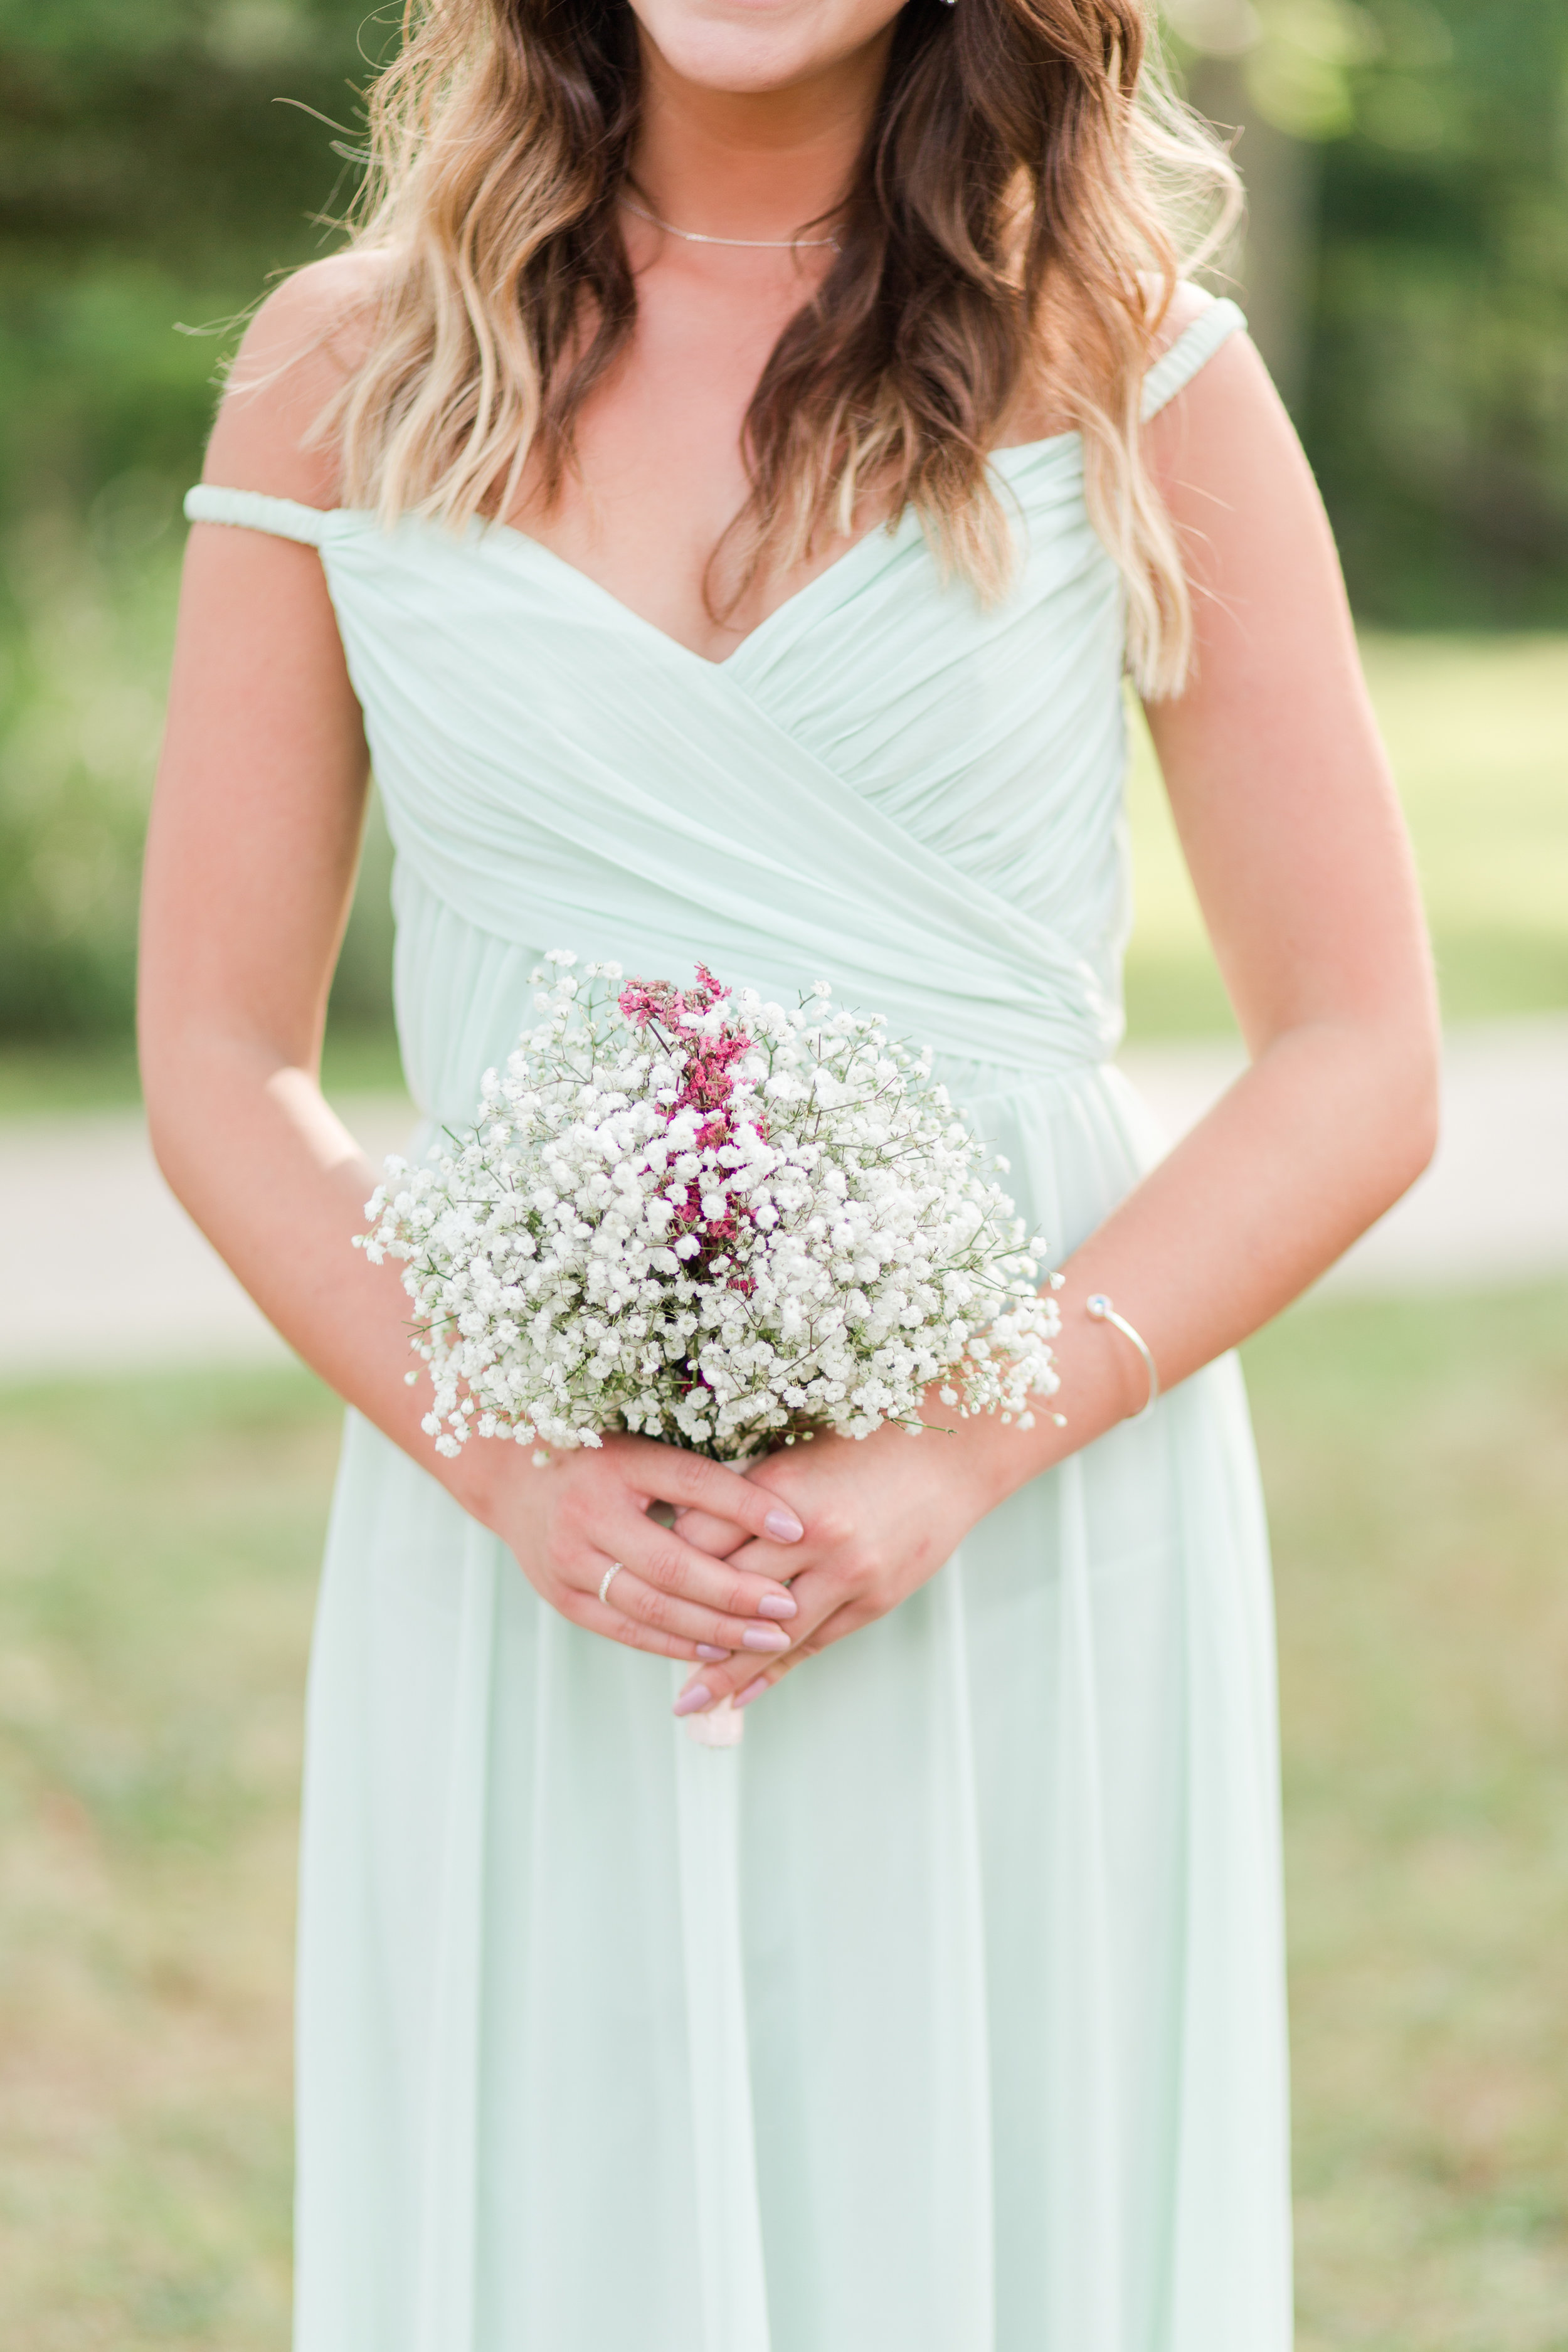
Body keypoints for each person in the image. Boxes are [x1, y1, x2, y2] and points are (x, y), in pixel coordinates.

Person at [139, 0, 1438, 2342]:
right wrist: (511, 1466)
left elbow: (1355, 1051)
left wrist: (956, 1452)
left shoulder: (1128, 363)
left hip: (1031, 1513)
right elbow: (219, 1053)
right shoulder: (345, 370)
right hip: (528, 1520)